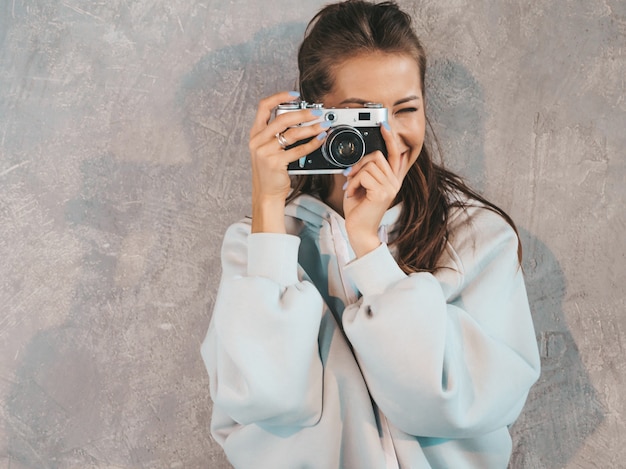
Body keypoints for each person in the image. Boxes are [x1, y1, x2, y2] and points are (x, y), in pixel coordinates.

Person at [201, 1, 540, 467]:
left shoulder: (478, 236)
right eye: (360, 116)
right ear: (313, 117)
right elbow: (264, 399)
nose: (387, 135)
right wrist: (267, 207)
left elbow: (453, 403)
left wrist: (370, 251)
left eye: (405, 109)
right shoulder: (257, 243)